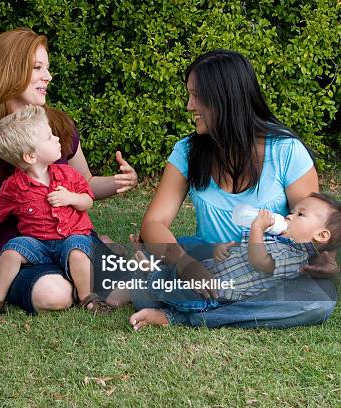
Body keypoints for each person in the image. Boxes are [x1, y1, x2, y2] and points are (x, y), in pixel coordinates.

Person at [129, 49, 338, 330]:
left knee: (317, 302)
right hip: (210, 262)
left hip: (265, 274)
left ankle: (182, 316)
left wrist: (327, 257)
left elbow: (314, 225)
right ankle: (197, 297)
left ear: (224, 98)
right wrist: (187, 265)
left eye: (196, 96)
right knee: (157, 272)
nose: (189, 106)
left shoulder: (286, 150)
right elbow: (154, 222)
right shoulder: (187, 152)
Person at [0, 28, 138, 314]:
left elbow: (86, 184)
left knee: (126, 291)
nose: (48, 76)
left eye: (48, 67)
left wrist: (119, 181)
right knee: (54, 296)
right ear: (8, 71)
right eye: (37, 68)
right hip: (18, 249)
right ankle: (94, 266)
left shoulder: (59, 126)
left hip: (70, 239)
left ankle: (96, 261)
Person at [0, 106, 113, 315]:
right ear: (30, 156)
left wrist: (71, 198)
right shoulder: (14, 187)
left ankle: (88, 298)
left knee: (78, 250)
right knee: (12, 249)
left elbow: (87, 201)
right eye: (49, 137)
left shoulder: (68, 175)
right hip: (37, 243)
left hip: (71, 236)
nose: (57, 138)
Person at [132, 193, 341, 328]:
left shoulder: (295, 258)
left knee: (176, 293)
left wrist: (257, 228)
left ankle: (156, 289)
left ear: (321, 235)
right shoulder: (277, 241)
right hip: (212, 271)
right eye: (292, 211)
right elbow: (243, 254)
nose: (288, 216)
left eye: (300, 214)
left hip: (219, 292)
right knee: (177, 274)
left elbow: (260, 261)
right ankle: (150, 273)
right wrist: (221, 250)